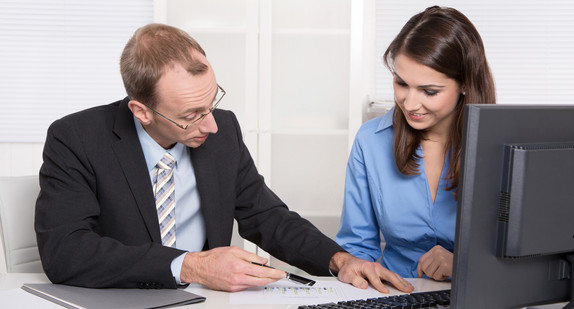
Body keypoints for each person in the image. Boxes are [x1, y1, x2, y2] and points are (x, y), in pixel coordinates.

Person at [34, 23, 414, 293]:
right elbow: (65, 251)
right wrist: (192, 265)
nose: (211, 125)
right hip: (122, 300)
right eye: (190, 115)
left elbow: (267, 217)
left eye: (212, 101)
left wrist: (339, 259)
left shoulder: (223, 131)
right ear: (141, 111)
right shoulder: (77, 139)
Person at [336, 6, 496, 281]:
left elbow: (530, 256)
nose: (410, 104)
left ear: (465, 84)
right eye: (401, 83)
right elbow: (357, 248)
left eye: (429, 91)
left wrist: (464, 265)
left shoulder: (504, 145)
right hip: (395, 294)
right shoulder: (371, 141)